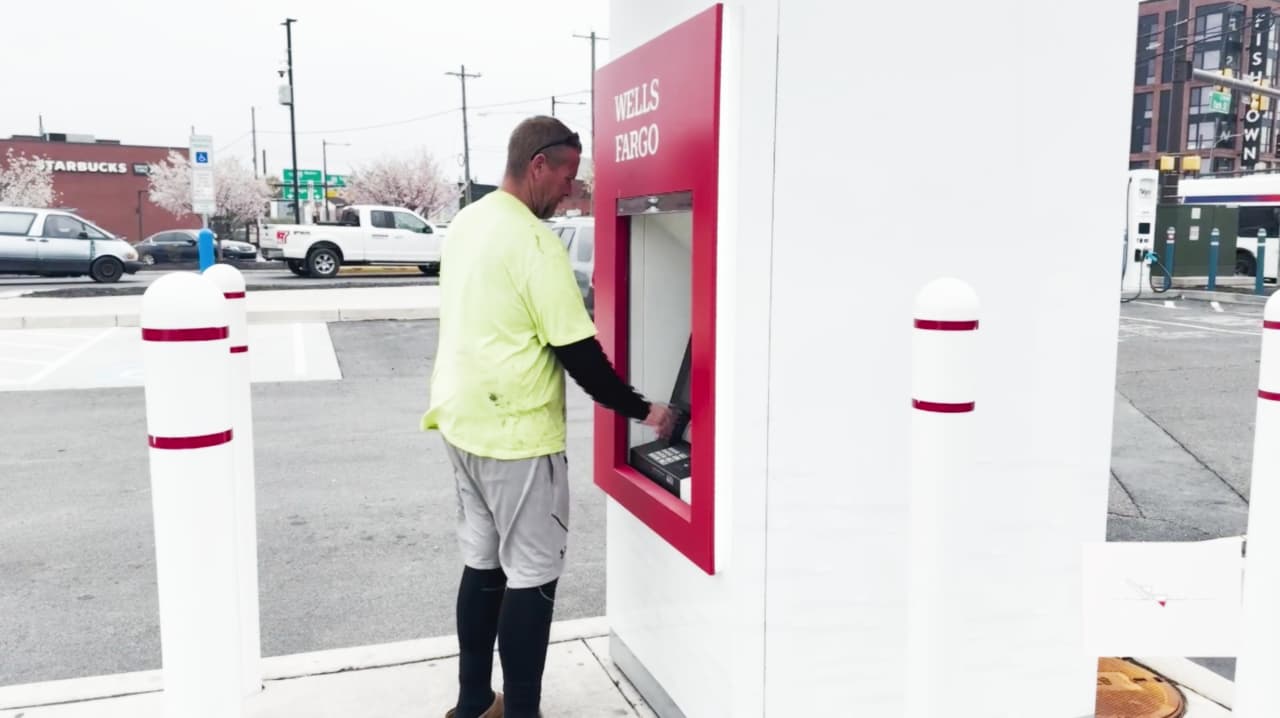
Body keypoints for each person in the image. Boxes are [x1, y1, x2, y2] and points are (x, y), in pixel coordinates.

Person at [422, 115, 676, 718]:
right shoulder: (535, 242)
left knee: (483, 566)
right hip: (517, 436)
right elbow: (579, 354)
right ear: (538, 164)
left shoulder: (468, 221)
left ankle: (473, 704)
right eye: (566, 174)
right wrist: (647, 411)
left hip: (462, 423)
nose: (572, 189)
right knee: (532, 580)